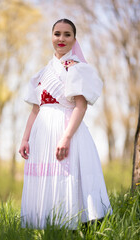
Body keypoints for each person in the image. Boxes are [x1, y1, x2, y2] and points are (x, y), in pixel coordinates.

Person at [19, 19, 112, 230]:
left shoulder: (77, 69)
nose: (61, 39)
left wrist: (66, 137)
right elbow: (36, 110)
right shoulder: (42, 73)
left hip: (67, 130)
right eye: (57, 34)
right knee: (47, 179)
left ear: (74, 39)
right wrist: (25, 139)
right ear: (51, 37)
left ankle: (72, 225)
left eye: (67, 34)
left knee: (66, 177)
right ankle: (44, 226)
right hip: (41, 134)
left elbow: (81, 106)